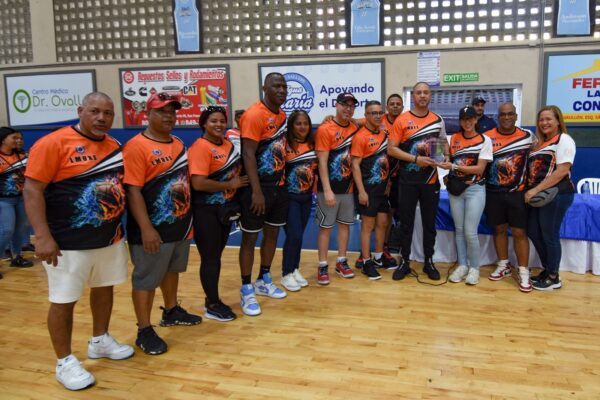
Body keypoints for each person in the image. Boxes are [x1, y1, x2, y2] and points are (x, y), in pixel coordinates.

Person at [23, 92, 134, 391]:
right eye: (94, 111)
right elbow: (32, 190)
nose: (101, 118)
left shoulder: (114, 146)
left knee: (104, 288)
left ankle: (100, 340)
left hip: (109, 238)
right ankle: (64, 362)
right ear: (80, 110)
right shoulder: (53, 143)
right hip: (66, 243)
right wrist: (42, 236)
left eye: (107, 113)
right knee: (63, 300)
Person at [123, 92, 201, 356]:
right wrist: (146, 228)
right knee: (146, 279)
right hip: (152, 230)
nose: (169, 116)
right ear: (148, 114)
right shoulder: (136, 146)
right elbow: (133, 191)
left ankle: (171, 310)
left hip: (179, 225)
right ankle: (144, 329)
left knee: (171, 270)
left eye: (172, 112)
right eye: (161, 111)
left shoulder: (177, 143)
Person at [189, 106, 248, 321]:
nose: (219, 124)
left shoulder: (227, 144)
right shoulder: (200, 147)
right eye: (213, 121)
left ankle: (213, 300)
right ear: (204, 124)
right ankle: (212, 304)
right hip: (206, 211)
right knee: (210, 258)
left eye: (222, 121)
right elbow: (198, 183)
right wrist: (229, 184)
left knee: (216, 256)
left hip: (224, 210)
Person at [238, 72, 289, 316]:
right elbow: (248, 154)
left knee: (272, 234)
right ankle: (246, 287)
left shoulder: (282, 115)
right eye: (276, 86)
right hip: (258, 189)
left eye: (284, 86)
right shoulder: (253, 114)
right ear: (264, 88)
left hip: (278, 187)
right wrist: (256, 191)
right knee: (250, 238)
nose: (281, 90)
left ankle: (263, 278)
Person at [388, 82, 448, 281]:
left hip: (431, 181)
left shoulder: (437, 120)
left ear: (430, 96)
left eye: (426, 92)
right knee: (406, 223)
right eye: (419, 93)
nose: (422, 96)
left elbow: (441, 147)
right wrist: (415, 159)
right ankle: (405, 261)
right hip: (407, 181)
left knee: (429, 224)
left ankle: (428, 261)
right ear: (413, 96)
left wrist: (443, 158)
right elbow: (391, 149)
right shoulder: (402, 120)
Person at [439, 106, 492, 285]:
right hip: (456, 190)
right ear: (460, 121)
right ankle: (462, 265)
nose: (467, 122)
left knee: (470, 231)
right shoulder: (453, 138)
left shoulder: (485, 140)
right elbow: (448, 158)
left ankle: (474, 268)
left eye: (470, 118)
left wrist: (454, 167)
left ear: (476, 119)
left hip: (475, 189)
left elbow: (479, 169)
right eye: (464, 119)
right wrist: (446, 163)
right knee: (459, 230)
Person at [484, 102, 535, 292]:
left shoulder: (528, 137)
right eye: (503, 114)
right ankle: (503, 265)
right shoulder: (487, 137)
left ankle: (523, 271)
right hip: (493, 193)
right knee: (499, 229)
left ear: (516, 116)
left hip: (517, 193)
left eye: (510, 114)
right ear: (498, 117)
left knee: (519, 232)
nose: (506, 117)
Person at [525, 105, 576, 291]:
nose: (544, 123)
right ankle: (548, 269)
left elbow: (561, 171)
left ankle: (554, 277)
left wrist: (535, 190)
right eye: (541, 119)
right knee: (533, 231)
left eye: (548, 119)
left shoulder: (564, 140)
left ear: (558, 121)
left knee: (549, 235)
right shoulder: (539, 143)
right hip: (539, 197)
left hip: (556, 195)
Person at [314, 92, 360, 285]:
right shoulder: (325, 129)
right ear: (336, 105)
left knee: (344, 226)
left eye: (351, 105)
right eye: (344, 104)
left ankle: (341, 261)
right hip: (329, 190)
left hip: (348, 189)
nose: (348, 108)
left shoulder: (355, 127)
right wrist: (327, 190)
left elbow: (373, 118)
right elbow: (322, 162)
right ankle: (322, 265)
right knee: (325, 228)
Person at [350, 101, 392, 280]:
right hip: (368, 189)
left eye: (380, 112)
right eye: (373, 113)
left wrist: (388, 182)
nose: (377, 116)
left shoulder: (384, 134)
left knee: (382, 223)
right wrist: (361, 191)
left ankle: (378, 257)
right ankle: (366, 262)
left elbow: (386, 160)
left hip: (382, 189)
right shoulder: (360, 137)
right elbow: (355, 165)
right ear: (366, 115)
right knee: (367, 226)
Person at [280, 110, 316, 291]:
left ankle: (294, 269)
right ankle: (286, 273)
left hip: (306, 198)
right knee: (293, 234)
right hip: (289, 198)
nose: (302, 127)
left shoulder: (312, 144)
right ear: (291, 126)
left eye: (305, 123)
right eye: (298, 123)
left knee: (299, 235)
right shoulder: (284, 145)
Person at [0, 127, 33, 273]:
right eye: (14, 138)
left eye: (20, 138)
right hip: (3, 200)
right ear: (3, 140)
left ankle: (17, 257)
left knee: (20, 229)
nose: (18, 140)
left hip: (21, 198)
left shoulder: (22, 155)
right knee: (7, 230)